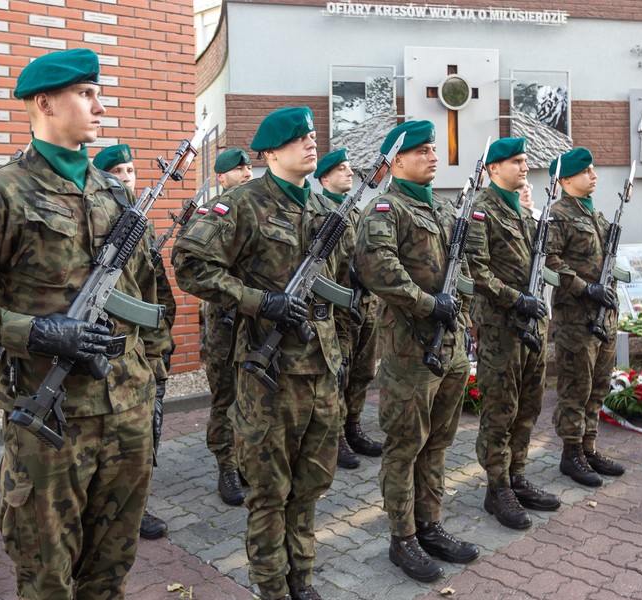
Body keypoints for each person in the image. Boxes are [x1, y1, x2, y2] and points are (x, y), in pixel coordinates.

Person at [0, 49, 158, 599]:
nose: (100, 105)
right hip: (52, 421)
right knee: (47, 576)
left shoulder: (116, 192)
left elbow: (146, 296)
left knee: (111, 569)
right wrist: (35, 331)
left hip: (127, 410)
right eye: (86, 94)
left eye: (99, 92)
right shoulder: (0, 192)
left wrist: (151, 376)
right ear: (44, 102)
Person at [173, 106, 352, 600]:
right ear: (271, 152)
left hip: (320, 371)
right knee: (270, 492)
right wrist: (259, 301)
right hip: (268, 374)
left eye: (312, 136)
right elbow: (189, 263)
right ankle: (272, 587)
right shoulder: (243, 204)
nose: (311, 144)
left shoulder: (322, 210)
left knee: (311, 484)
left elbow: (343, 282)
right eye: (299, 139)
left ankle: (303, 578)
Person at [354, 121, 479, 584]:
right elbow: (379, 270)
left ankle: (429, 525)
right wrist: (430, 303)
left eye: (434, 149)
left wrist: (460, 309)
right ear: (398, 160)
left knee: (439, 442)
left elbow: (463, 267)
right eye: (422, 150)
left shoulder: (445, 210)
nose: (432, 156)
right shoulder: (385, 210)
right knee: (405, 446)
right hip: (410, 350)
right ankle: (401, 537)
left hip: (450, 344)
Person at [465, 137, 561, 531]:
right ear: (493, 169)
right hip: (500, 327)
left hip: (531, 325)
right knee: (500, 410)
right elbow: (477, 270)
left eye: (525, 161)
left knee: (529, 405)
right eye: (517, 162)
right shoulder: (480, 212)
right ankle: (497, 486)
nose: (524, 167)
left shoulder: (521, 212)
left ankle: (517, 476)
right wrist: (516, 299)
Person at [94, 142, 178, 538]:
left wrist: (159, 351)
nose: (127, 177)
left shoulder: (141, 226)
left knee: (143, 438)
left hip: (139, 353)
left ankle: (136, 505)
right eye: (118, 172)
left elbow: (155, 296)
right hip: (95, 350)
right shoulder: (98, 220)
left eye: (131, 170)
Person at [546, 147, 625, 487]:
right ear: (566, 179)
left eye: (593, 170)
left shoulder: (597, 214)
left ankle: (589, 447)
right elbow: (549, 261)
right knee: (576, 388)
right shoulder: (557, 214)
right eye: (586, 171)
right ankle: (571, 454)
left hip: (603, 314)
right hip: (576, 318)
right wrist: (583, 288)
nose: (594, 176)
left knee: (598, 385)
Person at [314, 148, 383, 470]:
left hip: (367, 304)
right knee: (338, 374)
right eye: (341, 169)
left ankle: (353, 425)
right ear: (324, 178)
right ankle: (336, 434)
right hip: (337, 307)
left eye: (349, 168)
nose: (349, 173)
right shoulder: (319, 212)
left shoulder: (356, 212)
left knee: (363, 370)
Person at [202, 147, 253, 506]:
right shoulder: (213, 214)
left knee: (251, 395)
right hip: (224, 322)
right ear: (222, 178)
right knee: (226, 396)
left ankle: (246, 459)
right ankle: (227, 465)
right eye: (238, 169)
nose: (247, 173)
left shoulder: (256, 211)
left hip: (254, 321)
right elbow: (200, 270)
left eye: (249, 166)